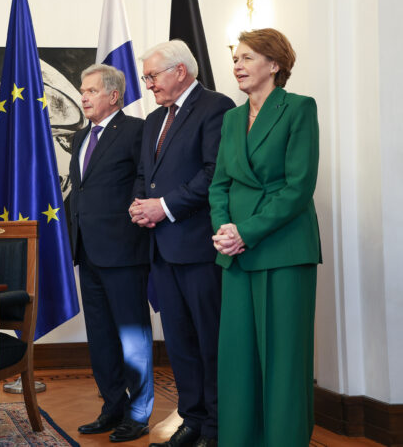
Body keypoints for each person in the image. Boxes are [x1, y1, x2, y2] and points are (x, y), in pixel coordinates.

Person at [209, 28, 321, 447]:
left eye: (246, 58)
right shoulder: (231, 118)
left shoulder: (299, 109)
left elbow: (298, 187)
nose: (236, 65)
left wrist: (246, 232)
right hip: (235, 254)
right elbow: (219, 184)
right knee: (239, 359)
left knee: (283, 359)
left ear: (274, 65)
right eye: (235, 59)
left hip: (283, 250)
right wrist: (224, 230)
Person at [130, 41, 235, 447]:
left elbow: (214, 174)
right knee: (179, 342)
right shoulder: (155, 118)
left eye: (152, 76)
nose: (149, 84)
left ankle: (215, 428)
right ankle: (191, 421)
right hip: (161, 248)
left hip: (198, 247)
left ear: (180, 71)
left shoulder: (216, 107)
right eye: (146, 77)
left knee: (209, 341)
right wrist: (141, 206)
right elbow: (144, 174)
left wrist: (165, 207)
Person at [67, 64, 153, 442]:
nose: (83, 97)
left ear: (113, 95)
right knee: (100, 335)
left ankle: (138, 413)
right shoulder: (80, 138)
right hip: (88, 251)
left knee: (132, 336)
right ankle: (112, 407)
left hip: (124, 251)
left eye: (90, 91)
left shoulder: (137, 131)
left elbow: (145, 180)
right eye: (82, 91)